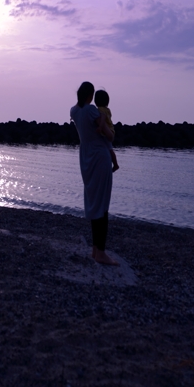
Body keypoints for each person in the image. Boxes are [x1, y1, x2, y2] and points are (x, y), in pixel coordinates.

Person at [70, 81, 119, 266]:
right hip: (100, 157)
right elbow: (110, 136)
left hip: (86, 157)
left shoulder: (73, 111)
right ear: (90, 95)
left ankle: (95, 249)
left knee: (94, 202)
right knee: (103, 205)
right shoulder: (92, 111)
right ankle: (101, 253)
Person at [94, 89, 119, 172]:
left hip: (108, 131)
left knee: (109, 148)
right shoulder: (107, 109)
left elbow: (103, 118)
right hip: (111, 129)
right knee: (110, 148)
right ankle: (115, 164)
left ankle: (115, 164)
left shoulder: (101, 110)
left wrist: (100, 127)